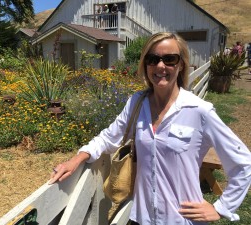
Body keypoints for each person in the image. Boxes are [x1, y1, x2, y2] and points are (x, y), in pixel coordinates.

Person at [49, 32, 251, 225]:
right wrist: (76, 159)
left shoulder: (199, 111)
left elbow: (243, 162)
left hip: (182, 219)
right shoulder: (137, 103)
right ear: (145, 65)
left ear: (180, 65)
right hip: (142, 217)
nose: (160, 66)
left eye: (169, 59)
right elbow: (109, 137)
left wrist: (221, 208)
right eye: (152, 59)